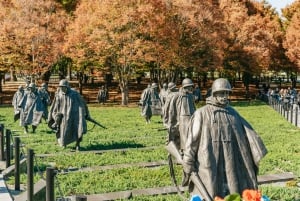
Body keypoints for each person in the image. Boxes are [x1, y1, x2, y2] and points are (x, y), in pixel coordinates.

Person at [182, 78, 267, 200]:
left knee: (232, 189)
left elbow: (247, 135)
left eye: (227, 93)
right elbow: (192, 140)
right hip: (209, 161)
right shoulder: (201, 113)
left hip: (231, 161)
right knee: (211, 189)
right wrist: (188, 160)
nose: (225, 96)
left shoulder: (232, 113)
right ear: (214, 93)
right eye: (221, 93)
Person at [48, 79, 90, 151]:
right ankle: (63, 143)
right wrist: (54, 115)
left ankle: (77, 145)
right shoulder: (58, 94)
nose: (62, 88)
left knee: (78, 129)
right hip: (63, 116)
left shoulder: (75, 94)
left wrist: (87, 113)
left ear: (67, 87)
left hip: (74, 115)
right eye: (60, 87)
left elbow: (83, 103)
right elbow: (54, 105)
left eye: (63, 87)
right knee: (63, 130)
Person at [165, 78, 196, 152]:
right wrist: (171, 121)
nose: (191, 88)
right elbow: (171, 110)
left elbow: (194, 107)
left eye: (191, 86)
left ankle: (190, 152)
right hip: (182, 120)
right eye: (189, 86)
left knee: (192, 136)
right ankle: (183, 152)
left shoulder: (191, 96)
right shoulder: (177, 95)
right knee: (183, 137)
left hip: (191, 118)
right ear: (185, 87)